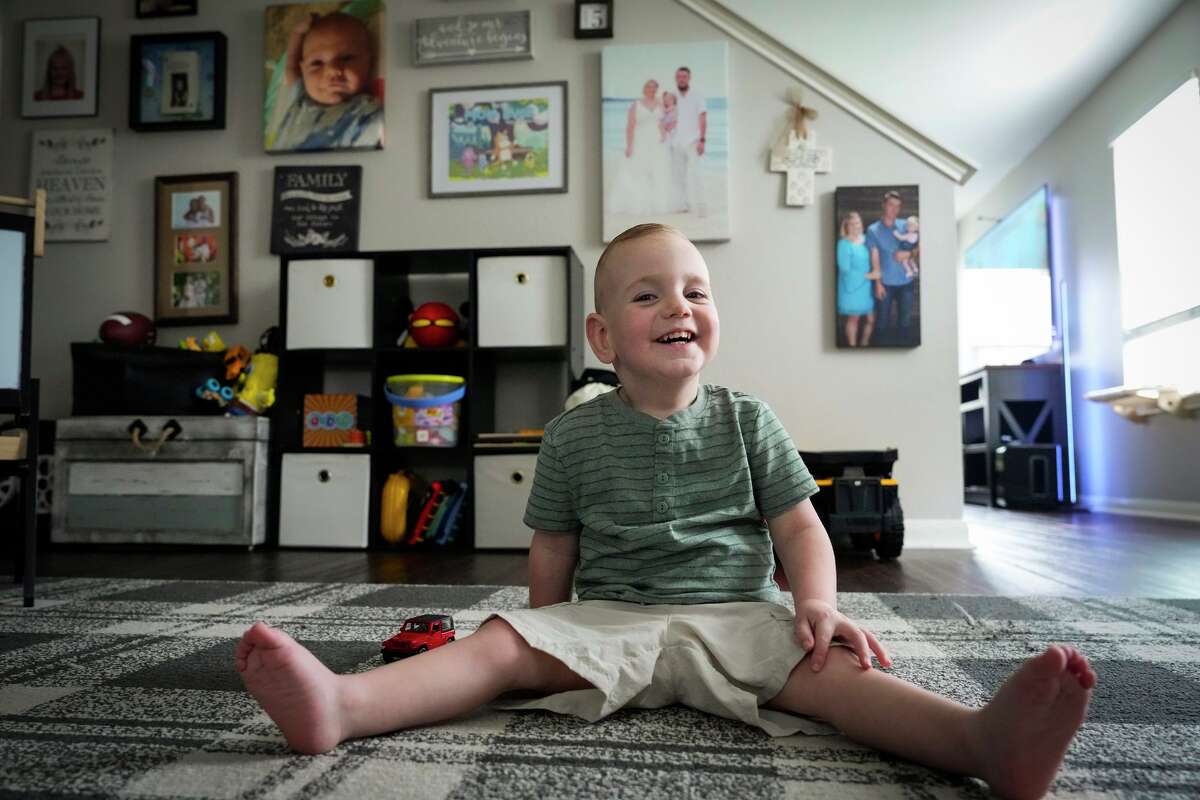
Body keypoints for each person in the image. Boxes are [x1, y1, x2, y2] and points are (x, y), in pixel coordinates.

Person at [236, 223, 1097, 800]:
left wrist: (819, 604)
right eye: (648, 295)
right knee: (494, 644)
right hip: (612, 619)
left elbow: (799, 524)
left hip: (742, 618)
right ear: (604, 338)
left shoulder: (747, 419)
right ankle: (344, 706)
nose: (679, 306)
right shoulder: (573, 435)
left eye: (695, 291)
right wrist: (548, 633)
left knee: (844, 677)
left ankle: (981, 745)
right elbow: (553, 543)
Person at [265, 10, 383, 152]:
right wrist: (298, 34)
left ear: (369, 61)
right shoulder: (300, 98)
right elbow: (290, 65)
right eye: (317, 63)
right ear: (303, 70)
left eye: (346, 58)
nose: (332, 70)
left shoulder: (367, 109)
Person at [606, 79, 671, 215]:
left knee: (658, 172)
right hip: (640, 141)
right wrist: (629, 146)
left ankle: (658, 205)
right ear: (644, 89)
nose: (651, 90)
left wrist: (665, 133)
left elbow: (666, 120)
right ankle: (638, 204)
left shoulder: (660, 104)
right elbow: (630, 126)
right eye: (649, 87)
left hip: (657, 142)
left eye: (654, 87)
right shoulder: (636, 105)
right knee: (638, 172)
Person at [866, 191, 916, 336]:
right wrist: (878, 283)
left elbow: (921, 245)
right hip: (885, 283)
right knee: (882, 322)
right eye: (891, 205)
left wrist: (909, 253)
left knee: (905, 322)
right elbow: (874, 258)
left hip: (906, 282)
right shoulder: (873, 230)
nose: (894, 209)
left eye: (898, 206)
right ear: (883, 206)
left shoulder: (906, 225)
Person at [836, 211, 880, 346]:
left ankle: (864, 342)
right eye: (853, 223)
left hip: (866, 287)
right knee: (854, 319)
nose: (857, 226)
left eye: (858, 222)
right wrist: (868, 275)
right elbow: (845, 270)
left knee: (871, 319)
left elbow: (876, 255)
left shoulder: (866, 239)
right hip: (851, 286)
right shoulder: (843, 244)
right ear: (847, 226)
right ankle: (852, 346)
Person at [671, 66, 707, 217]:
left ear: (689, 78)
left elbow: (703, 118)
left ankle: (701, 207)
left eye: (684, 77)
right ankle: (683, 205)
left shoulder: (697, 96)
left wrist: (702, 140)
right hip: (676, 141)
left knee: (696, 174)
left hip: (693, 141)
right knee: (679, 176)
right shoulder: (672, 96)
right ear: (676, 78)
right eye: (679, 77)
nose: (681, 79)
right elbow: (666, 116)